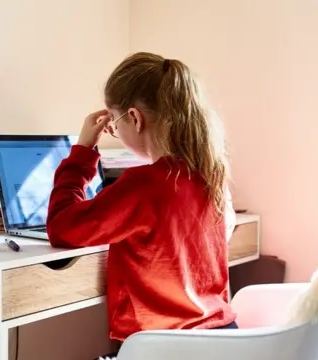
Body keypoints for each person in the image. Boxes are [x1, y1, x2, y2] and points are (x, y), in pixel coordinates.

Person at [47, 52, 238, 358]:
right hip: (223, 343)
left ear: (134, 118)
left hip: (163, 350)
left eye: (114, 123)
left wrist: (83, 150)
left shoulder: (143, 185)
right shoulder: (209, 174)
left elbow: (62, 227)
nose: (114, 133)